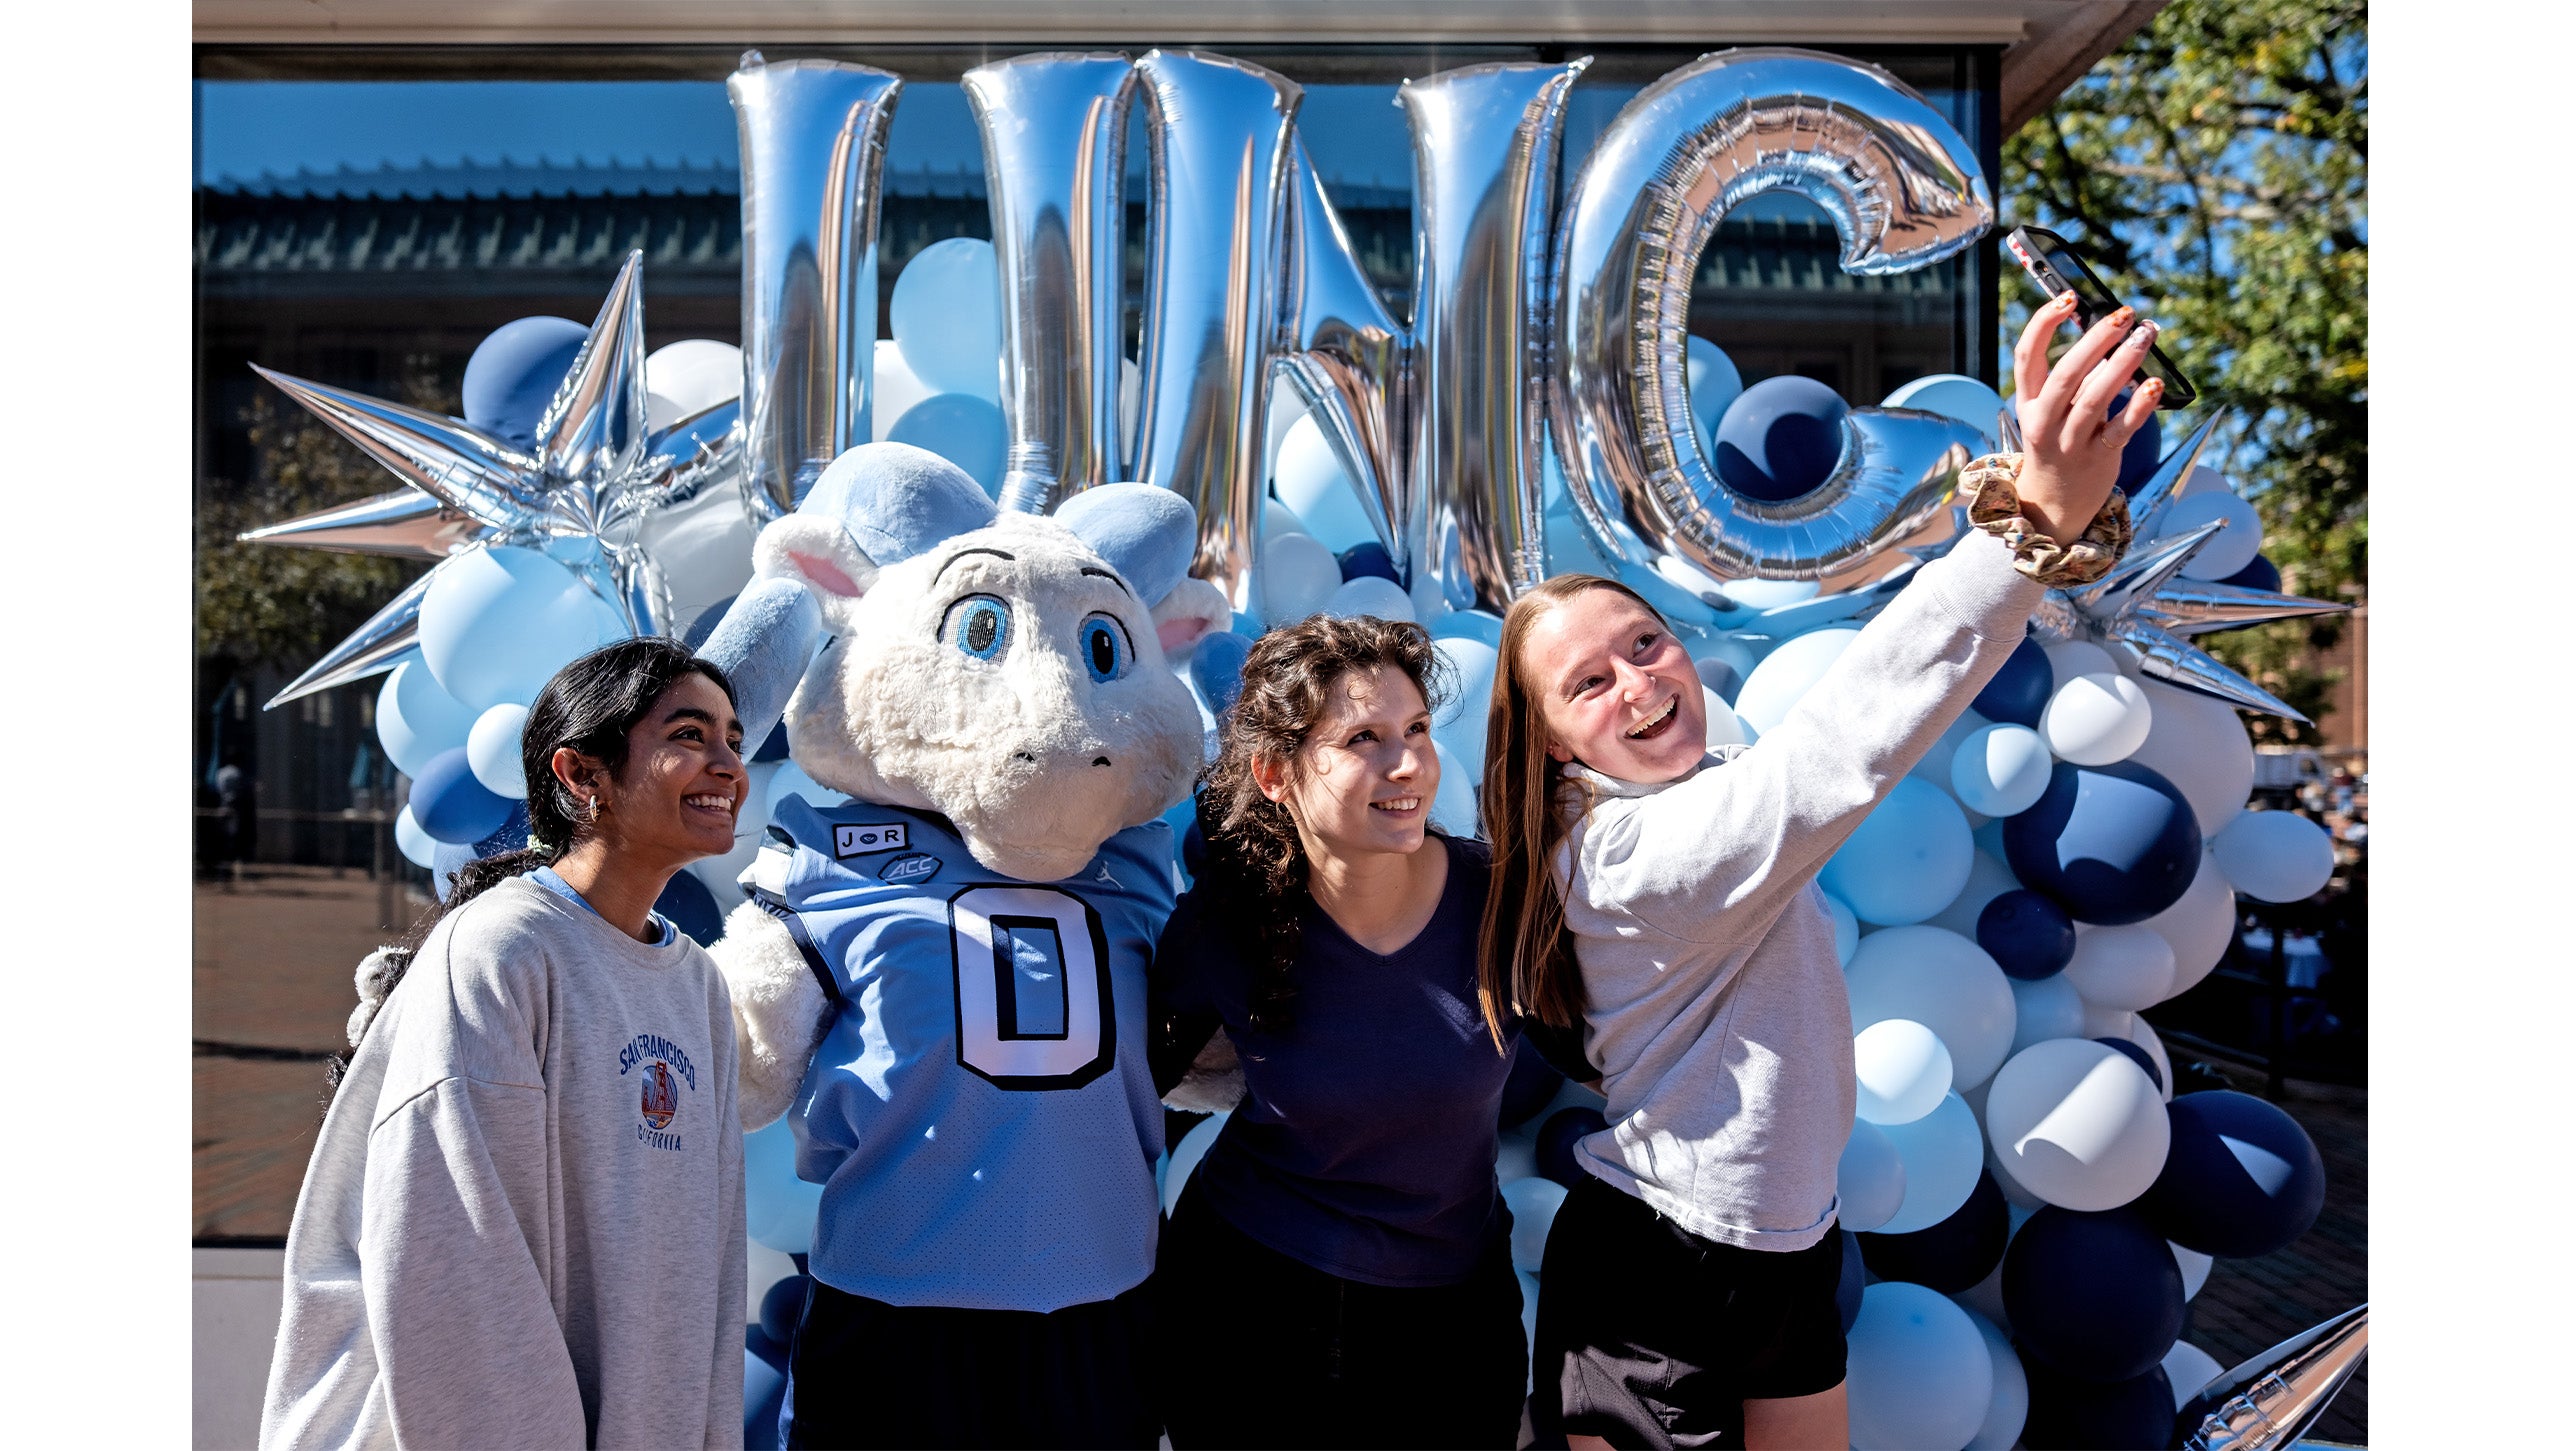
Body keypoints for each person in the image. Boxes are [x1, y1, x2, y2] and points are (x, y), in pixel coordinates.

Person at [1481, 294, 2159, 1450]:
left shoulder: (1702, 793)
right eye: (1588, 685)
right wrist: (2024, 525)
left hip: (1785, 1241)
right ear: (1551, 741)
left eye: (1644, 644)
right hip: (1652, 1260)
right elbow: (1844, 741)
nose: (1640, 685)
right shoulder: (1627, 853)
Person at [260, 637, 752, 1450]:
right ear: (581, 775)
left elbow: (709, 1269)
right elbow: (455, 1267)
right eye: (689, 735)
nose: (729, 764)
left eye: (733, 739)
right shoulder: (502, 950)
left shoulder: (696, 984)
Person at [1149, 615, 1532, 1450]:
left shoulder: (1501, 898)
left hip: (1453, 1314)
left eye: (1418, 729)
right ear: (1276, 773)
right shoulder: (1229, 921)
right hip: (1250, 1302)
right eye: (1365, 737)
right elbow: (1124, 1092)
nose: (1409, 764)